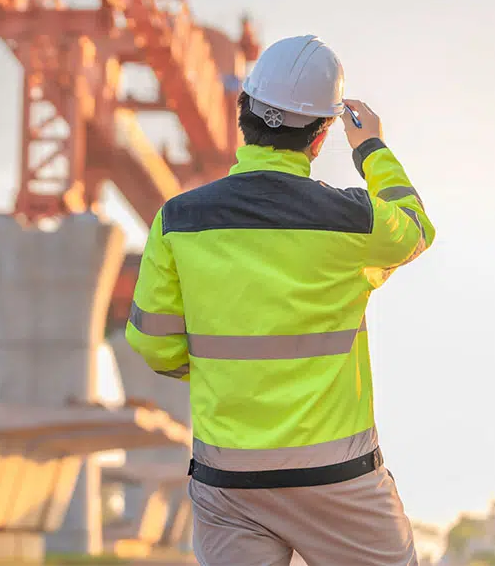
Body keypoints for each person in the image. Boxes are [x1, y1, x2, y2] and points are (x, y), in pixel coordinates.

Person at [124, 35, 433, 566]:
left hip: (229, 482)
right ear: (321, 136)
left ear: (241, 109)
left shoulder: (178, 220)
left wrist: (226, 374)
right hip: (336, 479)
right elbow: (416, 227)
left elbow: (154, 347)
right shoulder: (352, 220)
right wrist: (372, 150)